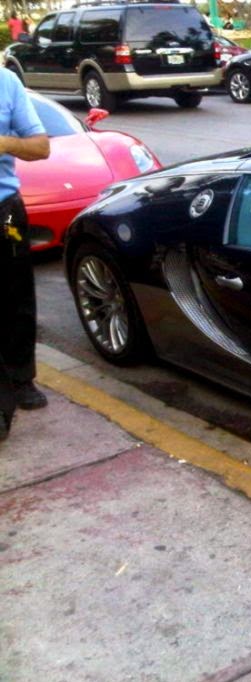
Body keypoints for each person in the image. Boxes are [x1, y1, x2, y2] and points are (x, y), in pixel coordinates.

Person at [1, 66, 51, 435]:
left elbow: (40, 147)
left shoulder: (6, 83)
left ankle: (21, 378)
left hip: (4, 212)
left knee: (16, 299)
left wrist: (4, 142)